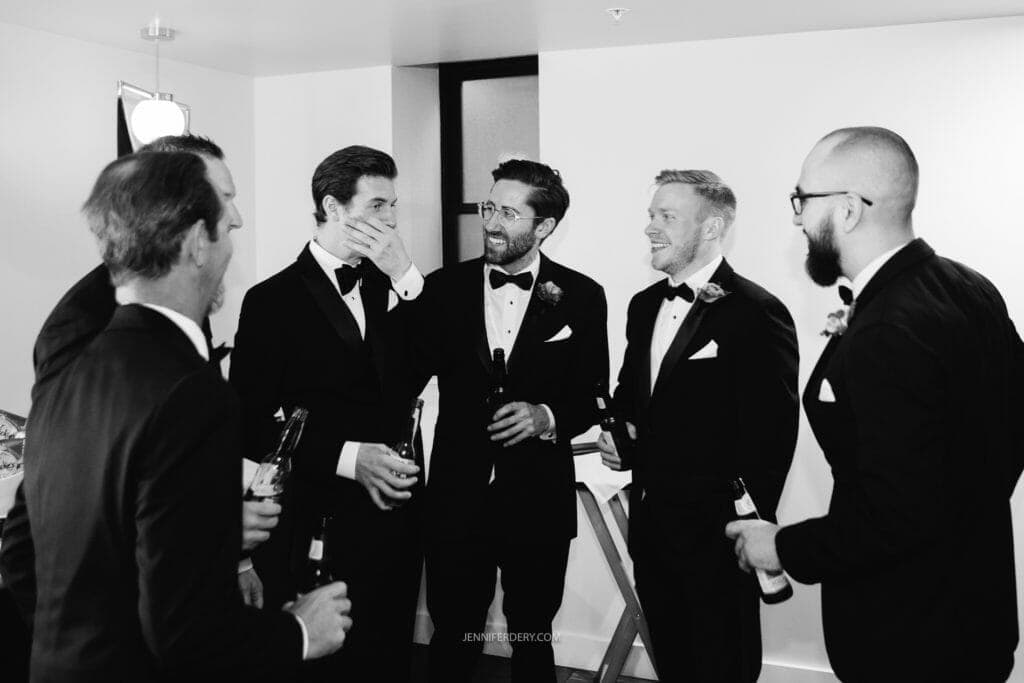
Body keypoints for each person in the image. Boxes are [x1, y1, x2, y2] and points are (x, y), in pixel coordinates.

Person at [16, 151, 352, 681]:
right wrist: (302, 632)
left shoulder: (67, 364)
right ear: (198, 242)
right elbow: (185, 634)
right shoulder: (191, 394)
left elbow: (23, 550)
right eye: (225, 221)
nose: (235, 229)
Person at [726, 126, 1024, 681]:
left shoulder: (889, 326)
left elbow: (895, 514)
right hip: (976, 611)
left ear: (847, 209)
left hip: (906, 635)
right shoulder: (969, 286)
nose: (795, 219)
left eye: (801, 200)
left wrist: (783, 548)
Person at [0, 135, 278, 634]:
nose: (234, 218)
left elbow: (152, 460)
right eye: (223, 198)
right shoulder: (82, 327)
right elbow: (51, 516)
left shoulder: (176, 305)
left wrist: (228, 549)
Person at [229, 145, 425, 682]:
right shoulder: (271, 300)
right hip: (316, 520)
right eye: (378, 205)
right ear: (334, 207)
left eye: (393, 206)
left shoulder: (395, 286)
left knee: (389, 656)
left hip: (394, 516)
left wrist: (407, 275)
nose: (391, 220)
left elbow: (437, 363)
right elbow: (250, 425)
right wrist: (346, 457)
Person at [411, 159, 609, 683]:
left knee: (532, 633)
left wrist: (546, 415)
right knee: (453, 630)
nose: (492, 222)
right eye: (489, 207)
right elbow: (401, 371)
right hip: (456, 494)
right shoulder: (441, 287)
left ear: (544, 226)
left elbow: (593, 395)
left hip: (538, 496)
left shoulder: (583, 296)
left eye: (509, 213)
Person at [597, 169, 798, 681]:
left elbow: (772, 436)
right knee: (676, 665)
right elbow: (632, 398)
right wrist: (620, 436)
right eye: (651, 215)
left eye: (667, 217)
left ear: (711, 229)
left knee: (722, 665)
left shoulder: (757, 312)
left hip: (718, 539)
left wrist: (744, 529)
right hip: (652, 530)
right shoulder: (644, 307)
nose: (650, 228)